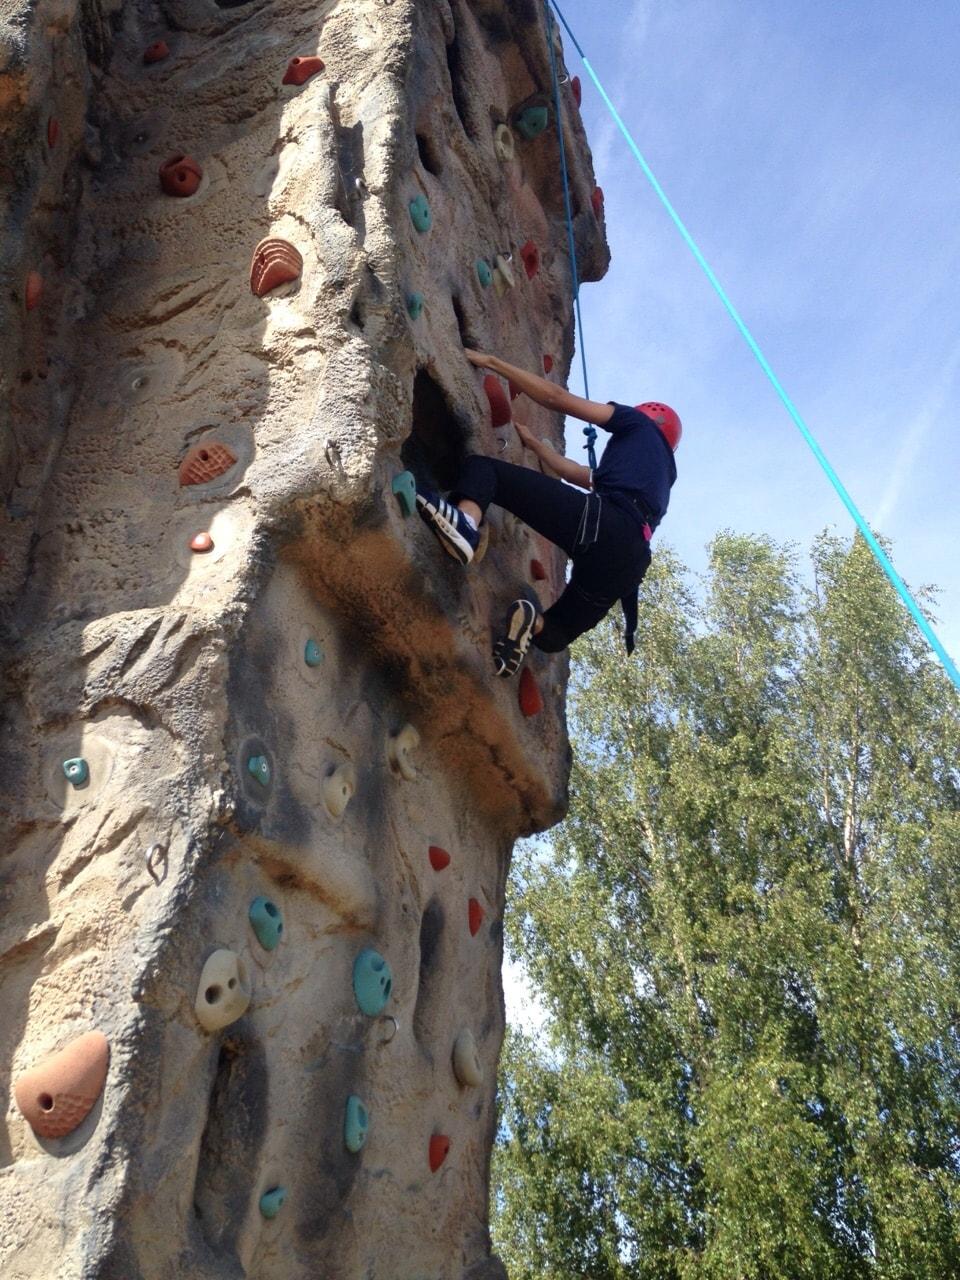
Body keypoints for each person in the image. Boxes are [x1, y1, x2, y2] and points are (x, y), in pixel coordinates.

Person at [415, 348, 680, 677]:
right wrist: (537, 446)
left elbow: (557, 397)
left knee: (485, 470)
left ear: (646, 416)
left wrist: (494, 363)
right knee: (557, 633)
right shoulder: (663, 475)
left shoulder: (636, 423)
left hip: (604, 523)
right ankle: (531, 622)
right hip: (629, 564)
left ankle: (466, 523)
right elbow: (573, 474)